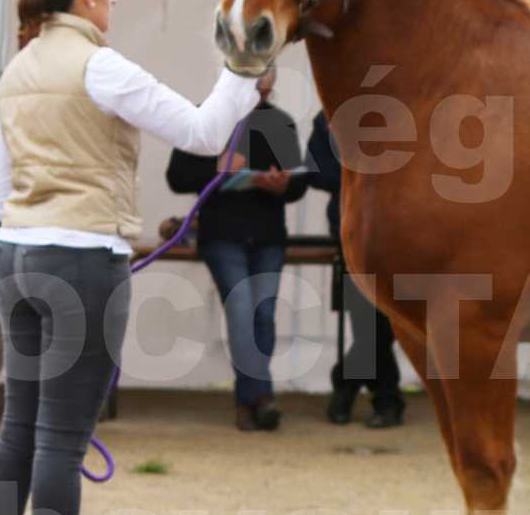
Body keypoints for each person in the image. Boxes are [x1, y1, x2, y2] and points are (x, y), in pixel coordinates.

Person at [0, 0, 259, 515]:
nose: (116, 1)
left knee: (17, 437)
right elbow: (201, 131)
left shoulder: (17, 69)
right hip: (81, 261)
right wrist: (245, 72)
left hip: (16, 257)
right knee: (61, 445)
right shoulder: (100, 65)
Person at [166, 68, 306, 432]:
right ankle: (260, 397)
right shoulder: (204, 117)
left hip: (267, 234)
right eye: (255, 91)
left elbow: (298, 183)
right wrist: (218, 168)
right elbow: (177, 177)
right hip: (222, 234)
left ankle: (249, 401)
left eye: (266, 93)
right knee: (242, 307)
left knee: (262, 313)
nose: (260, 99)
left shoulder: (280, 123)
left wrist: (280, 185)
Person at [302, 110, 406, 428]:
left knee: (392, 320)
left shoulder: (404, 113)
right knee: (367, 321)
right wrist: (359, 174)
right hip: (351, 230)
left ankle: (346, 383)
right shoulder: (328, 119)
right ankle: (387, 399)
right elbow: (316, 172)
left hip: (402, 233)